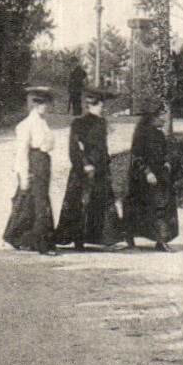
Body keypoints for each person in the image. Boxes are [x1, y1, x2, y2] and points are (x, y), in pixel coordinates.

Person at [54, 88, 120, 250]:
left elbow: (103, 148)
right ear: (91, 105)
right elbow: (74, 147)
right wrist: (85, 164)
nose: (101, 108)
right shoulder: (80, 123)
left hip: (101, 169)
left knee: (103, 202)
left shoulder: (102, 123)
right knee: (81, 202)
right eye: (98, 104)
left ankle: (106, 239)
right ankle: (78, 240)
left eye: (101, 104)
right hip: (84, 170)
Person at [2, 86, 58, 256]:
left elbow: (50, 145)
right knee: (38, 202)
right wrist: (23, 175)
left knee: (35, 202)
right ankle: (43, 244)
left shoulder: (43, 123)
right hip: (34, 163)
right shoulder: (25, 125)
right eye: (40, 103)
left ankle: (21, 238)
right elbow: (22, 152)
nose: (44, 107)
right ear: (34, 105)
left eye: (46, 103)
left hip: (43, 161)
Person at [124, 100, 178, 251]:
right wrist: (147, 172)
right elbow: (136, 156)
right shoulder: (141, 134)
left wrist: (167, 162)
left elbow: (165, 151)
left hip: (160, 176)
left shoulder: (159, 134)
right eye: (161, 115)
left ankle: (161, 240)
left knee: (162, 206)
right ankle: (131, 237)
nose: (163, 118)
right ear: (152, 117)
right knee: (143, 207)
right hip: (143, 177)